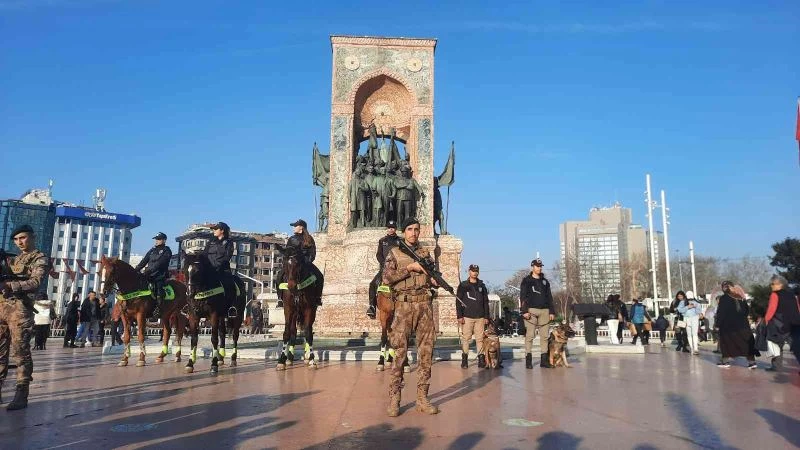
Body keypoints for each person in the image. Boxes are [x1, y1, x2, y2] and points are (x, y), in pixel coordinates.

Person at [383, 218, 439, 417]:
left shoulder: (425, 254)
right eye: (410, 229)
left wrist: (434, 280)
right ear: (403, 232)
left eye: (416, 229)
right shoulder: (395, 253)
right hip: (404, 306)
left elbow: (433, 277)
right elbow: (387, 279)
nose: (414, 233)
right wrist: (409, 268)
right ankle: (394, 398)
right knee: (400, 352)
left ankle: (422, 398)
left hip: (424, 305)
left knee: (426, 352)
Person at [0, 224, 49, 410]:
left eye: (23, 238)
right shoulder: (12, 260)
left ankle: (22, 394)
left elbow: (36, 282)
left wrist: (10, 286)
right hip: (2, 307)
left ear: (32, 237)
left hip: (19, 309)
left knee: (20, 352)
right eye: (16, 239)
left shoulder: (39, 257)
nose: (20, 242)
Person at [519, 258, 555, 369]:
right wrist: (524, 311)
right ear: (532, 267)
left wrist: (552, 311)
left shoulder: (545, 282)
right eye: (537, 266)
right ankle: (528, 360)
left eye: (540, 266)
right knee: (530, 336)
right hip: (531, 311)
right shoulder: (526, 280)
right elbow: (523, 296)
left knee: (544, 336)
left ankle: (544, 361)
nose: (539, 268)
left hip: (545, 311)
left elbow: (549, 297)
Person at [716, 281, 757, 369]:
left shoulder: (724, 298)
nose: (725, 288)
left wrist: (718, 323)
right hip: (742, 325)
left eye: (727, 286)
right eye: (724, 286)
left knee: (727, 343)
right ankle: (752, 362)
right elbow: (746, 311)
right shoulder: (740, 297)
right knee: (745, 343)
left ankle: (725, 361)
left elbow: (721, 312)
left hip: (728, 326)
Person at [763, 275, 800, 372]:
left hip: (780, 325)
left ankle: (776, 366)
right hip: (794, 323)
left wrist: (766, 320)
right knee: (796, 345)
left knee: (776, 345)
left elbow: (771, 309)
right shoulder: (792, 295)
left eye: (772, 284)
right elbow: (798, 308)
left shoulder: (775, 294)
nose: (771, 286)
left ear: (780, 285)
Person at [456, 264, 490, 368]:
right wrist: (459, 316)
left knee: (480, 339)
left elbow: (485, 302)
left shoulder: (481, 286)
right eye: (473, 271)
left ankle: (481, 359)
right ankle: (465, 359)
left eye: (476, 271)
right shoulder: (463, 285)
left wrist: (486, 316)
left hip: (479, 317)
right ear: (469, 271)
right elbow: (458, 301)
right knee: (466, 338)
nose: (475, 273)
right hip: (467, 316)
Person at [283, 219, 323, 306]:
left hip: (306, 263)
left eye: (295, 226)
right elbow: (287, 253)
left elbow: (313, 252)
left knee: (319, 276)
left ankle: (317, 298)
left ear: (301, 227)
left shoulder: (309, 239)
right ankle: (279, 298)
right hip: (293, 264)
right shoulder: (291, 239)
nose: (294, 228)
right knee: (279, 275)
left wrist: (307, 261)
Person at [134, 232, 172, 318]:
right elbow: (144, 260)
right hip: (148, 275)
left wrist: (150, 270)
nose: (156, 241)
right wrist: (136, 269)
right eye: (156, 239)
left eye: (158, 239)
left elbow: (160, 263)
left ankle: (159, 309)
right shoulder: (152, 250)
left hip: (160, 275)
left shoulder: (167, 250)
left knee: (158, 289)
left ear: (164, 240)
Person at [367, 220, 399, 318]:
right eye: (389, 228)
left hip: (397, 269)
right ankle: (372, 307)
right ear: (387, 229)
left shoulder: (400, 241)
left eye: (392, 228)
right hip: (384, 269)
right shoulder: (382, 241)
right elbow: (379, 254)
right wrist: (384, 263)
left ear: (395, 229)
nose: (391, 230)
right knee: (373, 284)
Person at [204, 222, 238, 303]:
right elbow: (204, 254)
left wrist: (217, 267)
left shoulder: (229, 242)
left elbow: (227, 257)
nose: (214, 231)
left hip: (222, 270)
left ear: (222, 230)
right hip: (209, 269)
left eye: (216, 229)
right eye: (213, 229)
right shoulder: (210, 241)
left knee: (230, 285)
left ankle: (231, 306)